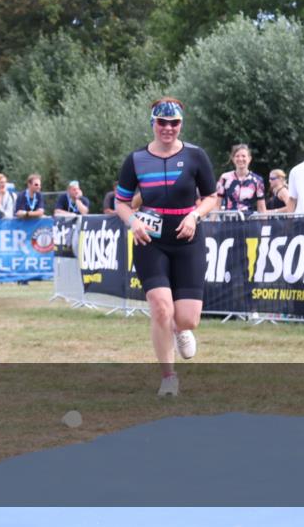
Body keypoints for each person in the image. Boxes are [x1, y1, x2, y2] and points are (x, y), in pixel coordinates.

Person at [114, 97, 218, 398]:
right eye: (162, 122)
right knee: (161, 307)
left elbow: (212, 197)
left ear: (181, 124)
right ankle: (168, 378)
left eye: (174, 123)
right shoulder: (136, 159)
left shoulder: (196, 155)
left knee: (187, 318)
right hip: (150, 240)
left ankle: (180, 329)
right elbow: (121, 202)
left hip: (188, 239)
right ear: (153, 123)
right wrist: (133, 221)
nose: (168, 128)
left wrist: (195, 216)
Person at [215, 144, 266, 216]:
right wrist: (212, 222)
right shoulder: (225, 178)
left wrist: (264, 222)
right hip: (228, 221)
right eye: (237, 156)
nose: (240, 159)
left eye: (243, 156)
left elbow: (261, 208)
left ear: (249, 159)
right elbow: (217, 205)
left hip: (249, 221)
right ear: (233, 159)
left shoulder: (257, 180)